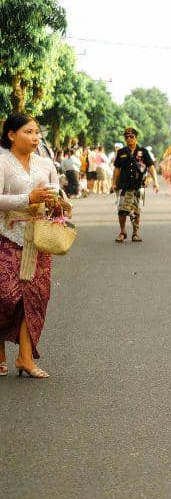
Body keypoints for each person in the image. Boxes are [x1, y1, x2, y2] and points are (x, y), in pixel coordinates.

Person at [0, 114, 71, 378]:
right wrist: (27, 198)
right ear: (11, 134)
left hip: (38, 240)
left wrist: (56, 204)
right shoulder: (2, 162)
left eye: (37, 132)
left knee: (34, 297)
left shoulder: (45, 163)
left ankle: (25, 358)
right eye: (28, 132)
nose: (35, 137)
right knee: (6, 297)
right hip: (7, 237)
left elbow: (57, 198)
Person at [112, 127, 157, 242]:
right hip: (124, 185)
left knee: (136, 210)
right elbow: (116, 169)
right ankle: (122, 232)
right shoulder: (121, 152)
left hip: (138, 185)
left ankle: (135, 233)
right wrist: (113, 183)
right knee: (122, 210)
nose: (129, 139)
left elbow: (151, 167)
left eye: (131, 136)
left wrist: (155, 182)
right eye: (126, 137)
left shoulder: (143, 152)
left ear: (136, 137)